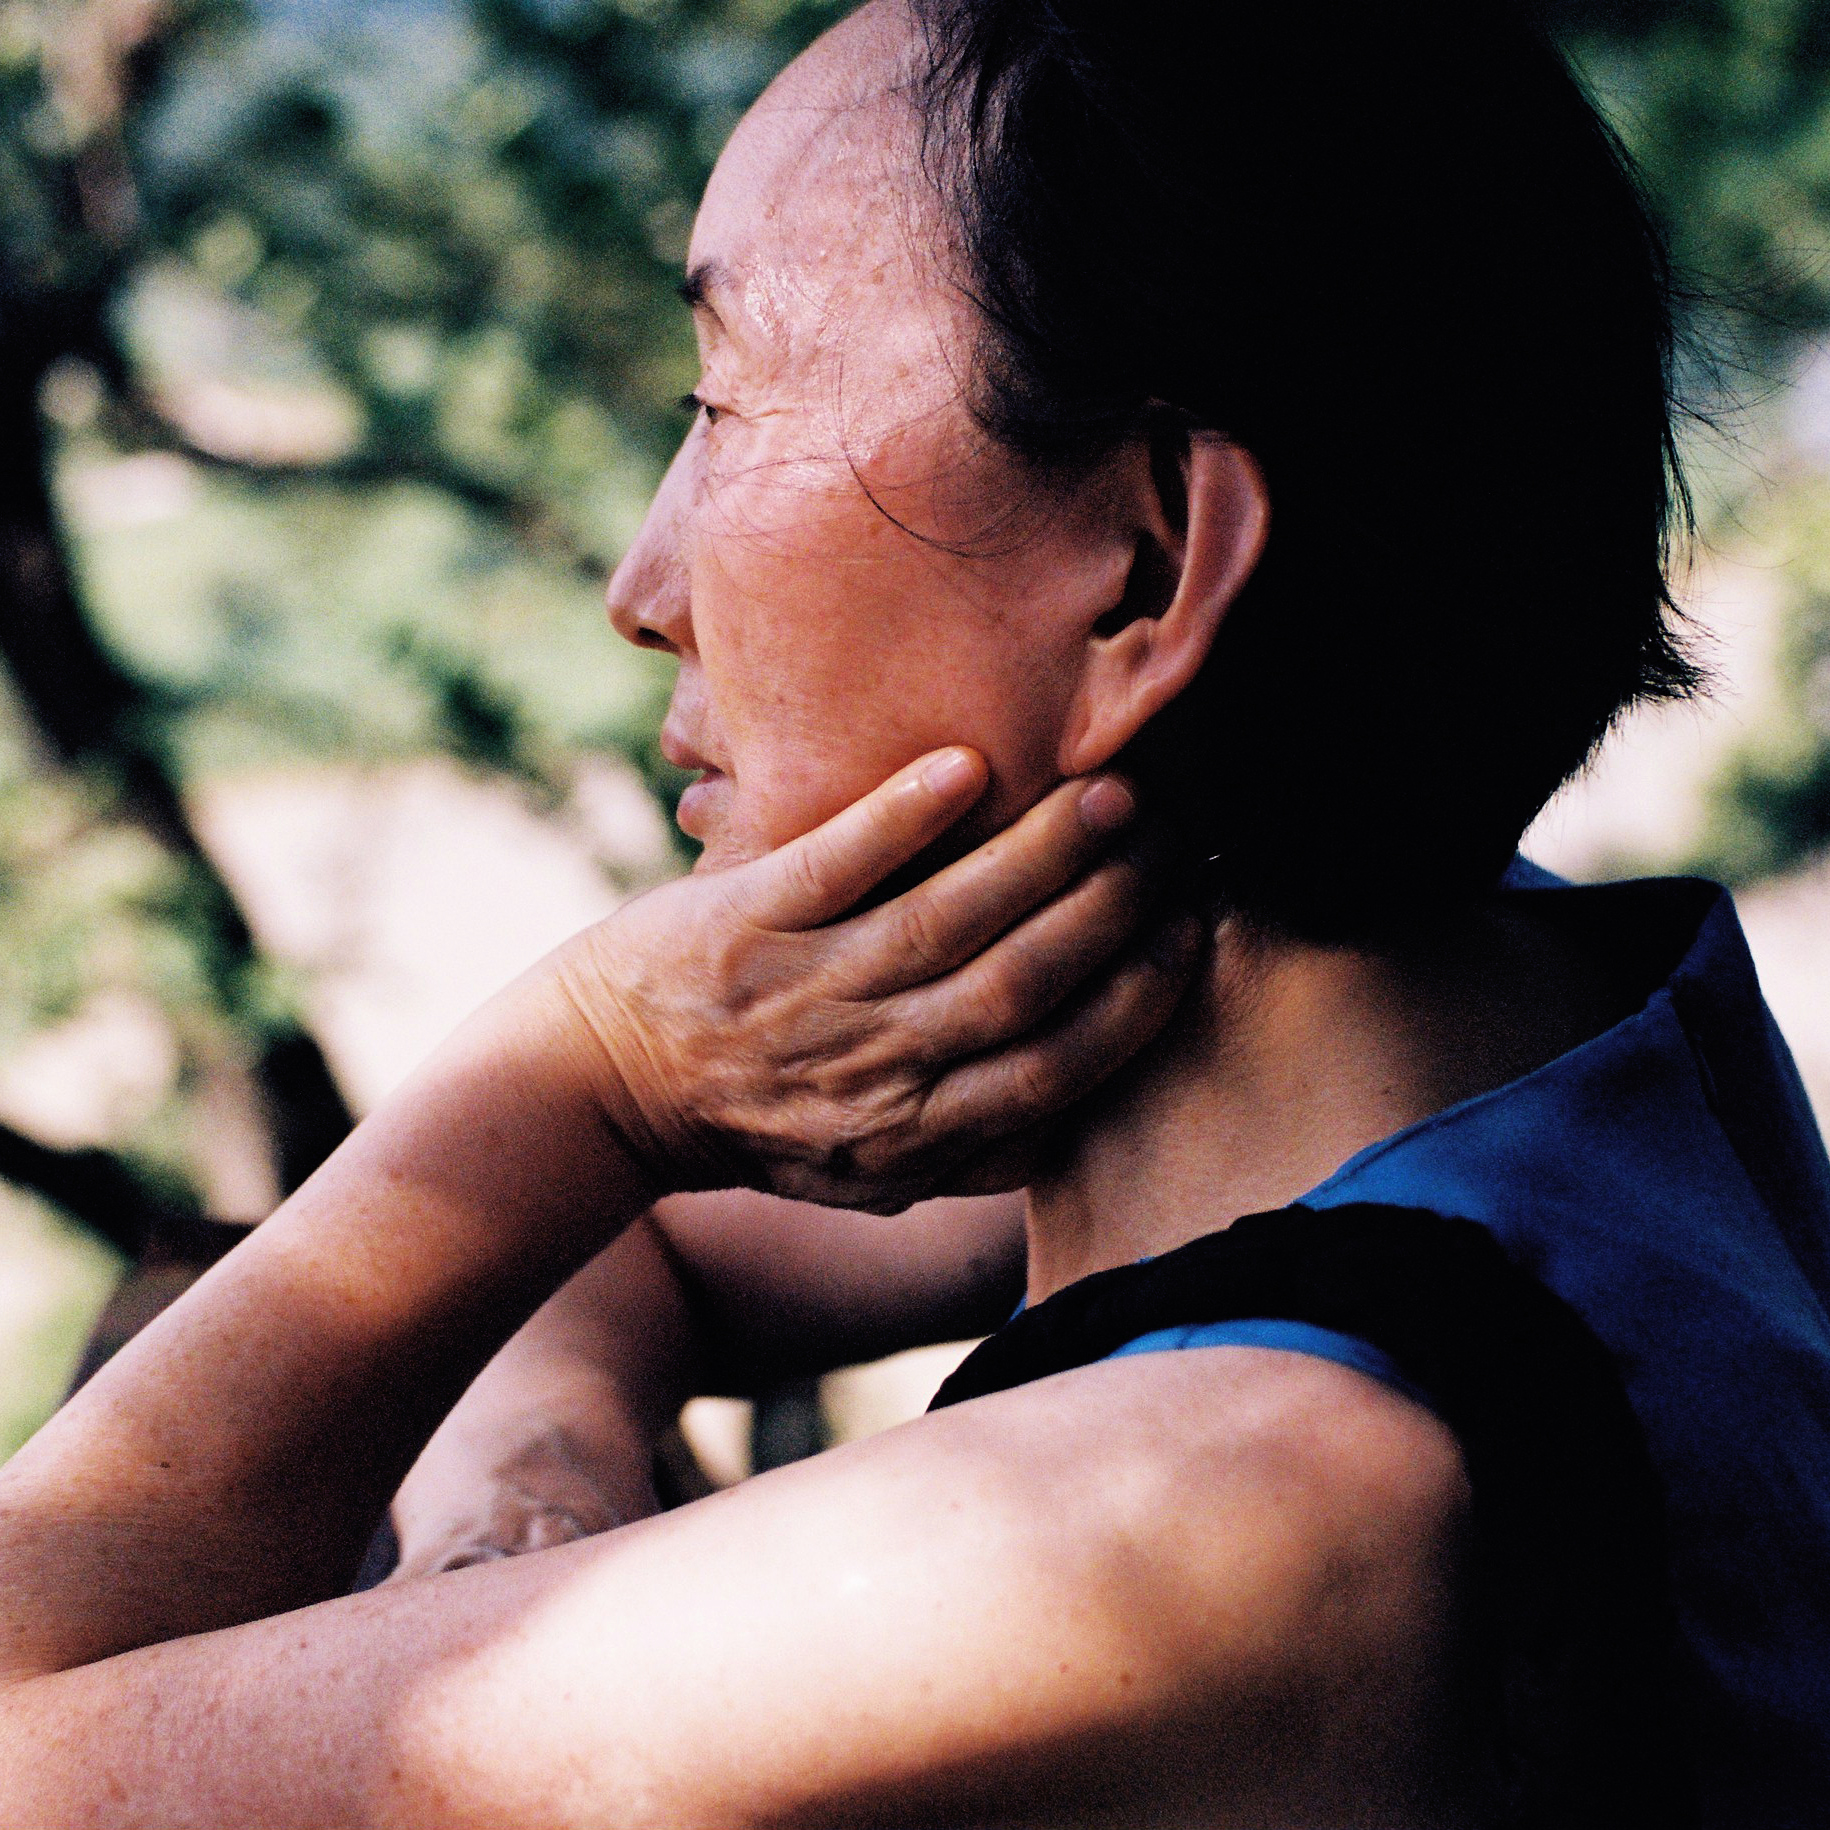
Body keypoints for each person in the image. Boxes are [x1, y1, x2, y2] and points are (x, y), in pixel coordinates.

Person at [1, 2, 1826, 1824]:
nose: (645, 584)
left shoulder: (1206, 1512)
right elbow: (613, 1253)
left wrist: (584, 1076)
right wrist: (533, 1477)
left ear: (1146, 564)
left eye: (725, 402)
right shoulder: (1492, 1039)